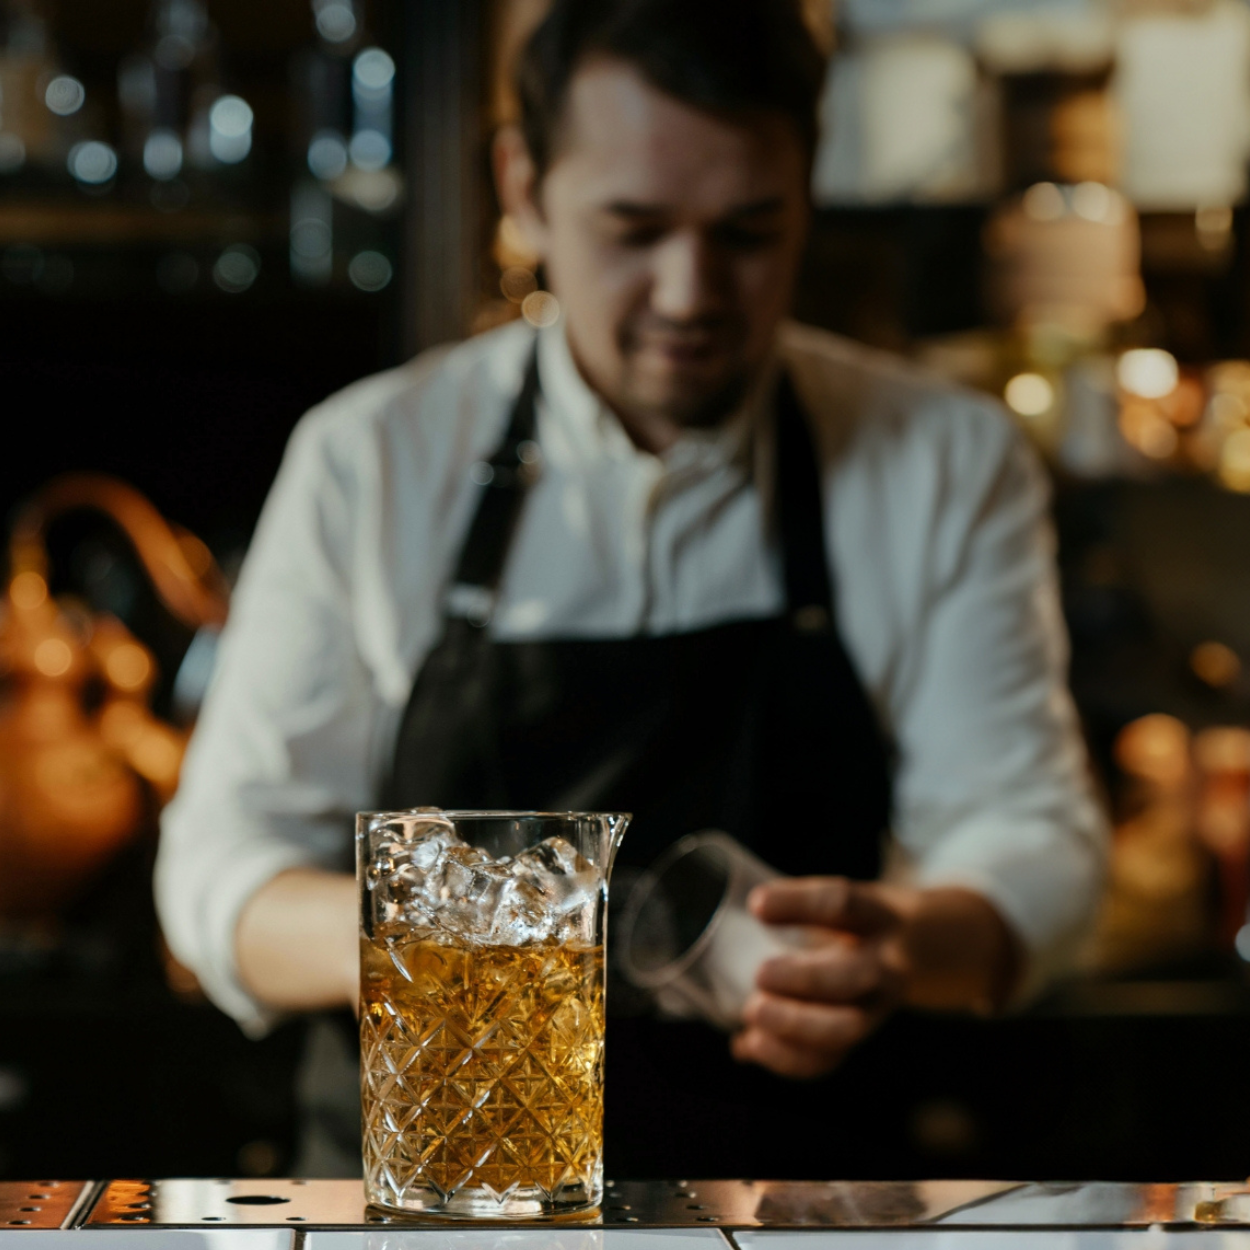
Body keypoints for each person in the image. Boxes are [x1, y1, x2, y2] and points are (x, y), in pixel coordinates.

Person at [155, 0, 1107, 1178]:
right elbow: (218, 875)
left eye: (748, 231)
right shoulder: (371, 459)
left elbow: (1034, 838)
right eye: (632, 226)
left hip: (790, 1190)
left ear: (806, 191)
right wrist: (464, 949)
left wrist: (897, 947)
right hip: (430, 1202)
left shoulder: (942, 461)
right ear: (521, 186)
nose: (689, 291)